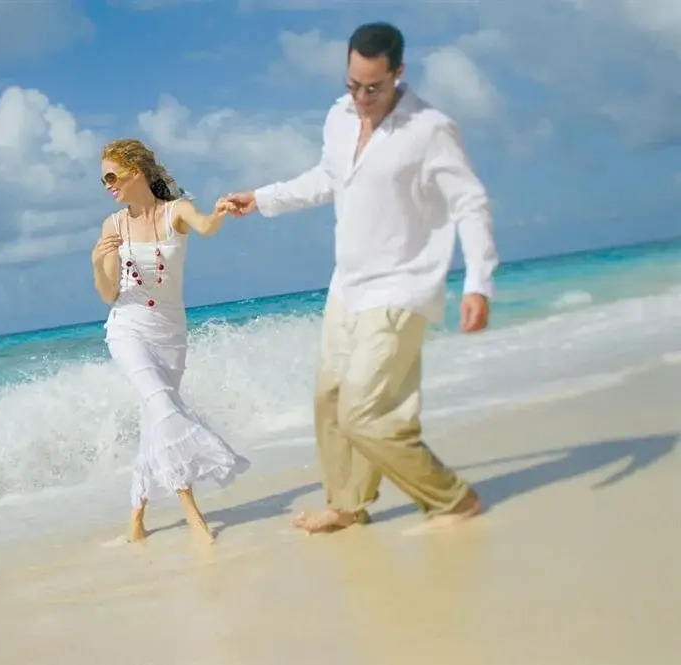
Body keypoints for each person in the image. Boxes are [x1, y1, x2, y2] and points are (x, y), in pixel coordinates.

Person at [225, 21, 500, 534]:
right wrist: (261, 198)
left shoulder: (429, 129)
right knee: (329, 399)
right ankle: (347, 505)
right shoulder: (339, 116)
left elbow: (470, 203)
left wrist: (478, 283)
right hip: (347, 284)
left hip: (402, 285)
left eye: (373, 88)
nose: (362, 98)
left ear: (398, 73)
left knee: (364, 413)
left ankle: (452, 499)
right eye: (354, 85)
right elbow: (327, 178)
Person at [92, 138, 251, 545]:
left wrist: (219, 212)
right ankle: (194, 516)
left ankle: (136, 520)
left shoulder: (176, 211)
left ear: (135, 172)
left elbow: (206, 226)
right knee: (163, 409)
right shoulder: (113, 226)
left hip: (171, 335)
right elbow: (108, 294)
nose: (109, 186)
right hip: (127, 328)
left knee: (155, 424)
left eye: (112, 177)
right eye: (104, 180)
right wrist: (96, 262)